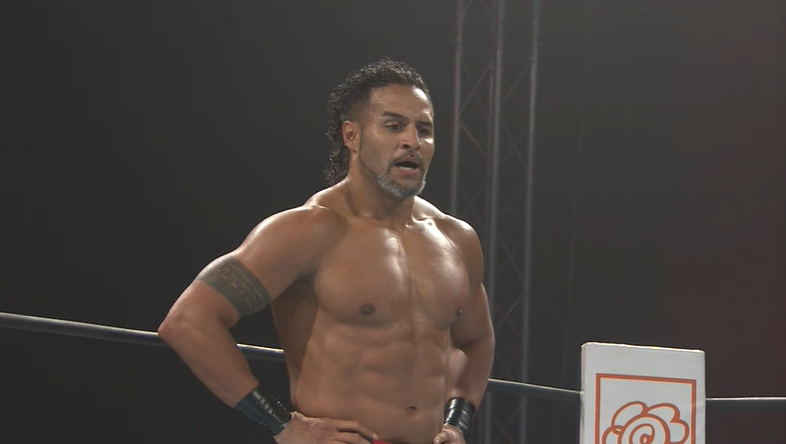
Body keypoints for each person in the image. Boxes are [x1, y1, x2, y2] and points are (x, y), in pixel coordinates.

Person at [158, 58, 495, 444]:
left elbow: (477, 340)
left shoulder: (456, 239)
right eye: (393, 126)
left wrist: (458, 422)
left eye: (424, 129)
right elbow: (188, 321)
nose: (412, 142)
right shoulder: (307, 231)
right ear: (352, 136)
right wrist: (282, 424)